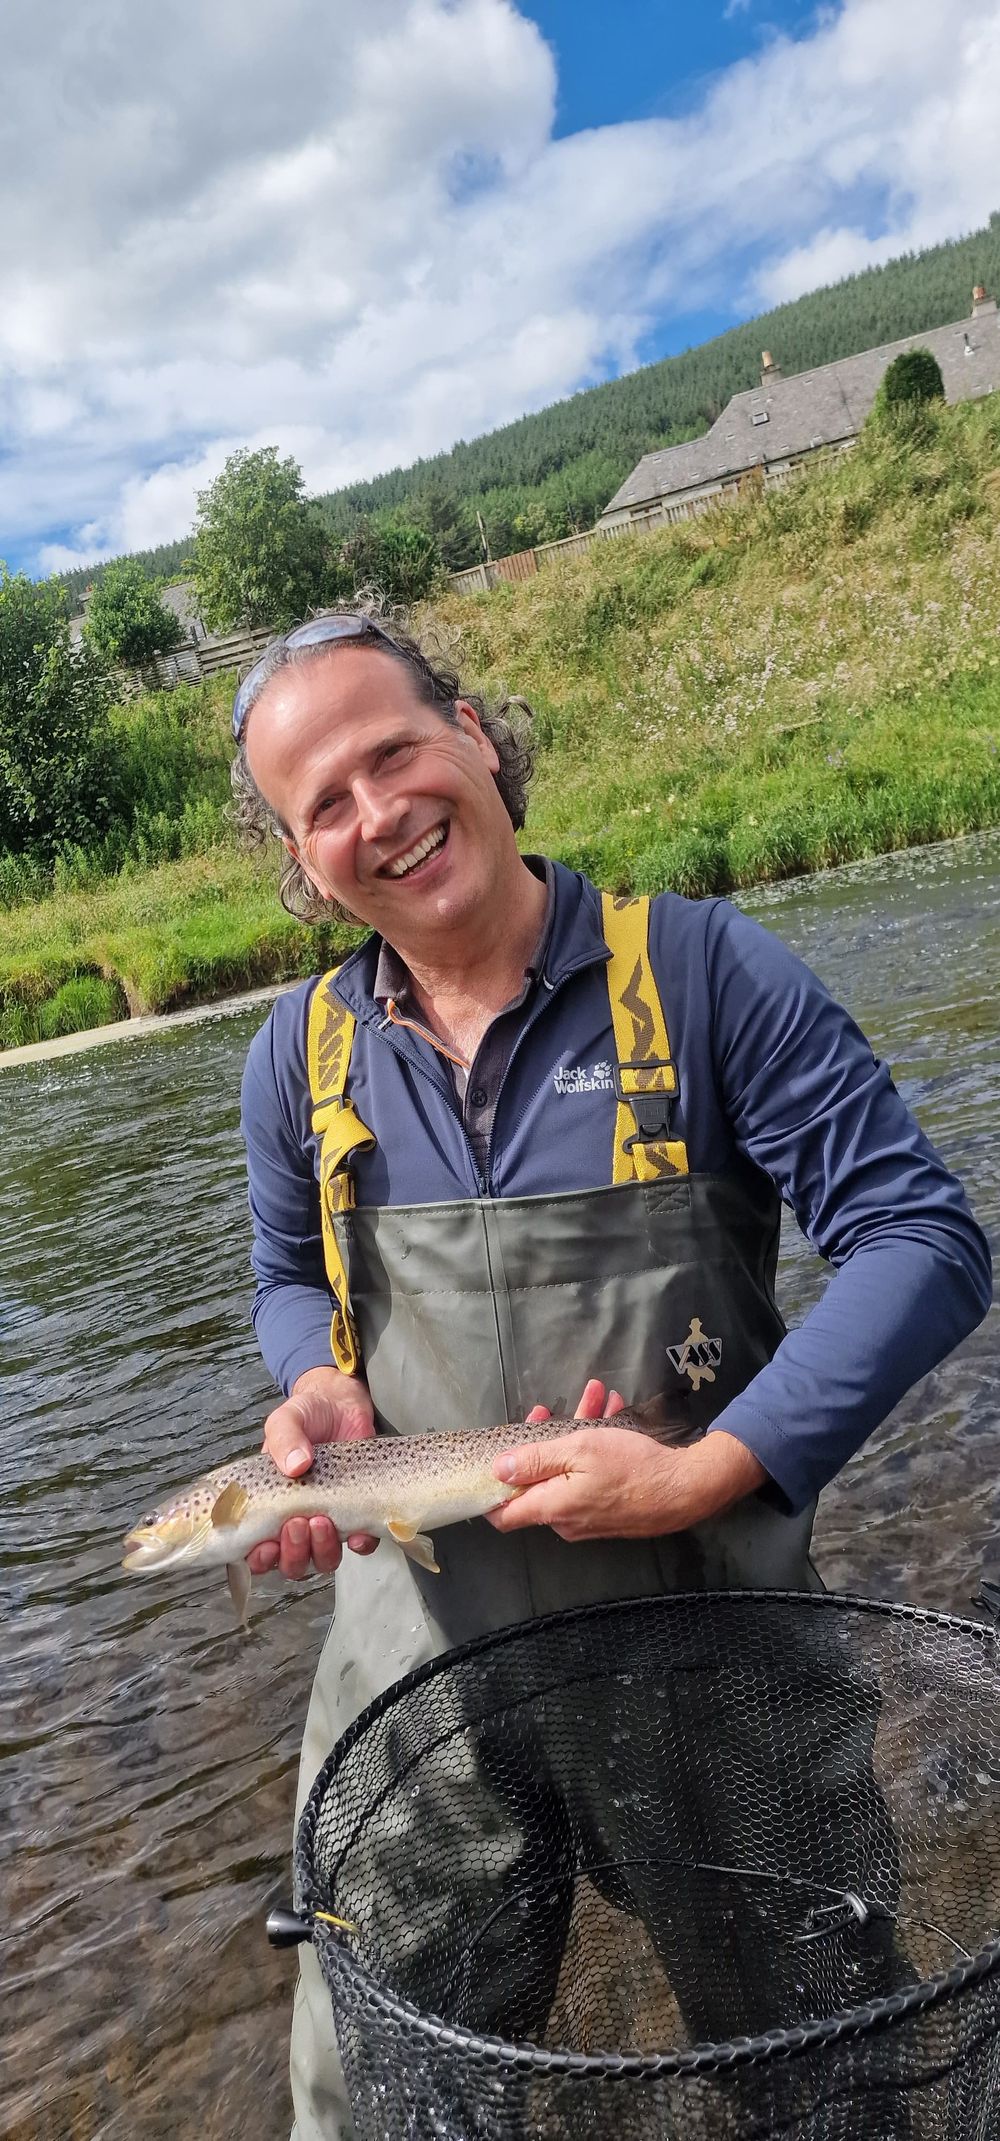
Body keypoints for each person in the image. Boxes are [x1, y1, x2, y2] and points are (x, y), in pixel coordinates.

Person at [232, 610, 991, 2141]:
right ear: (302, 861)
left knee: (826, 2065)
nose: (377, 813)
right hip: (417, 1680)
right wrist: (316, 1382)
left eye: (395, 751)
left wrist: (716, 1461)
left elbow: (922, 1237)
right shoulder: (294, 1057)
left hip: (711, 1645)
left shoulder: (707, 974)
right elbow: (289, 1281)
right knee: (385, 2093)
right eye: (324, 803)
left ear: (477, 736)